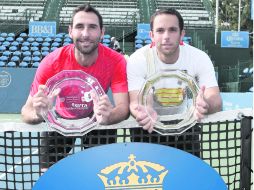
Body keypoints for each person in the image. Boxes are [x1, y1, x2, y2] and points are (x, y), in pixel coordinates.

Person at [21, 4, 129, 171]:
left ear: (102, 32)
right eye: (79, 27)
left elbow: (123, 107)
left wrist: (109, 116)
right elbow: (26, 112)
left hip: (98, 121)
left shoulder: (116, 61)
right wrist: (39, 113)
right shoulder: (51, 62)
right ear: (70, 31)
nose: (85, 34)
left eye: (92, 27)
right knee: (49, 177)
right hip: (60, 121)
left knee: (103, 176)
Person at [127, 8, 222, 154]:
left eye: (172, 30)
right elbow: (136, 101)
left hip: (185, 128)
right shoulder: (138, 59)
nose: (166, 36)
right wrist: (145, 109)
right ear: (152, 35)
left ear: (182, 34)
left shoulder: (199, 57)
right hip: (147, 129)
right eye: (160, 31)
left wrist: (205, 104)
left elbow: (215, 98)